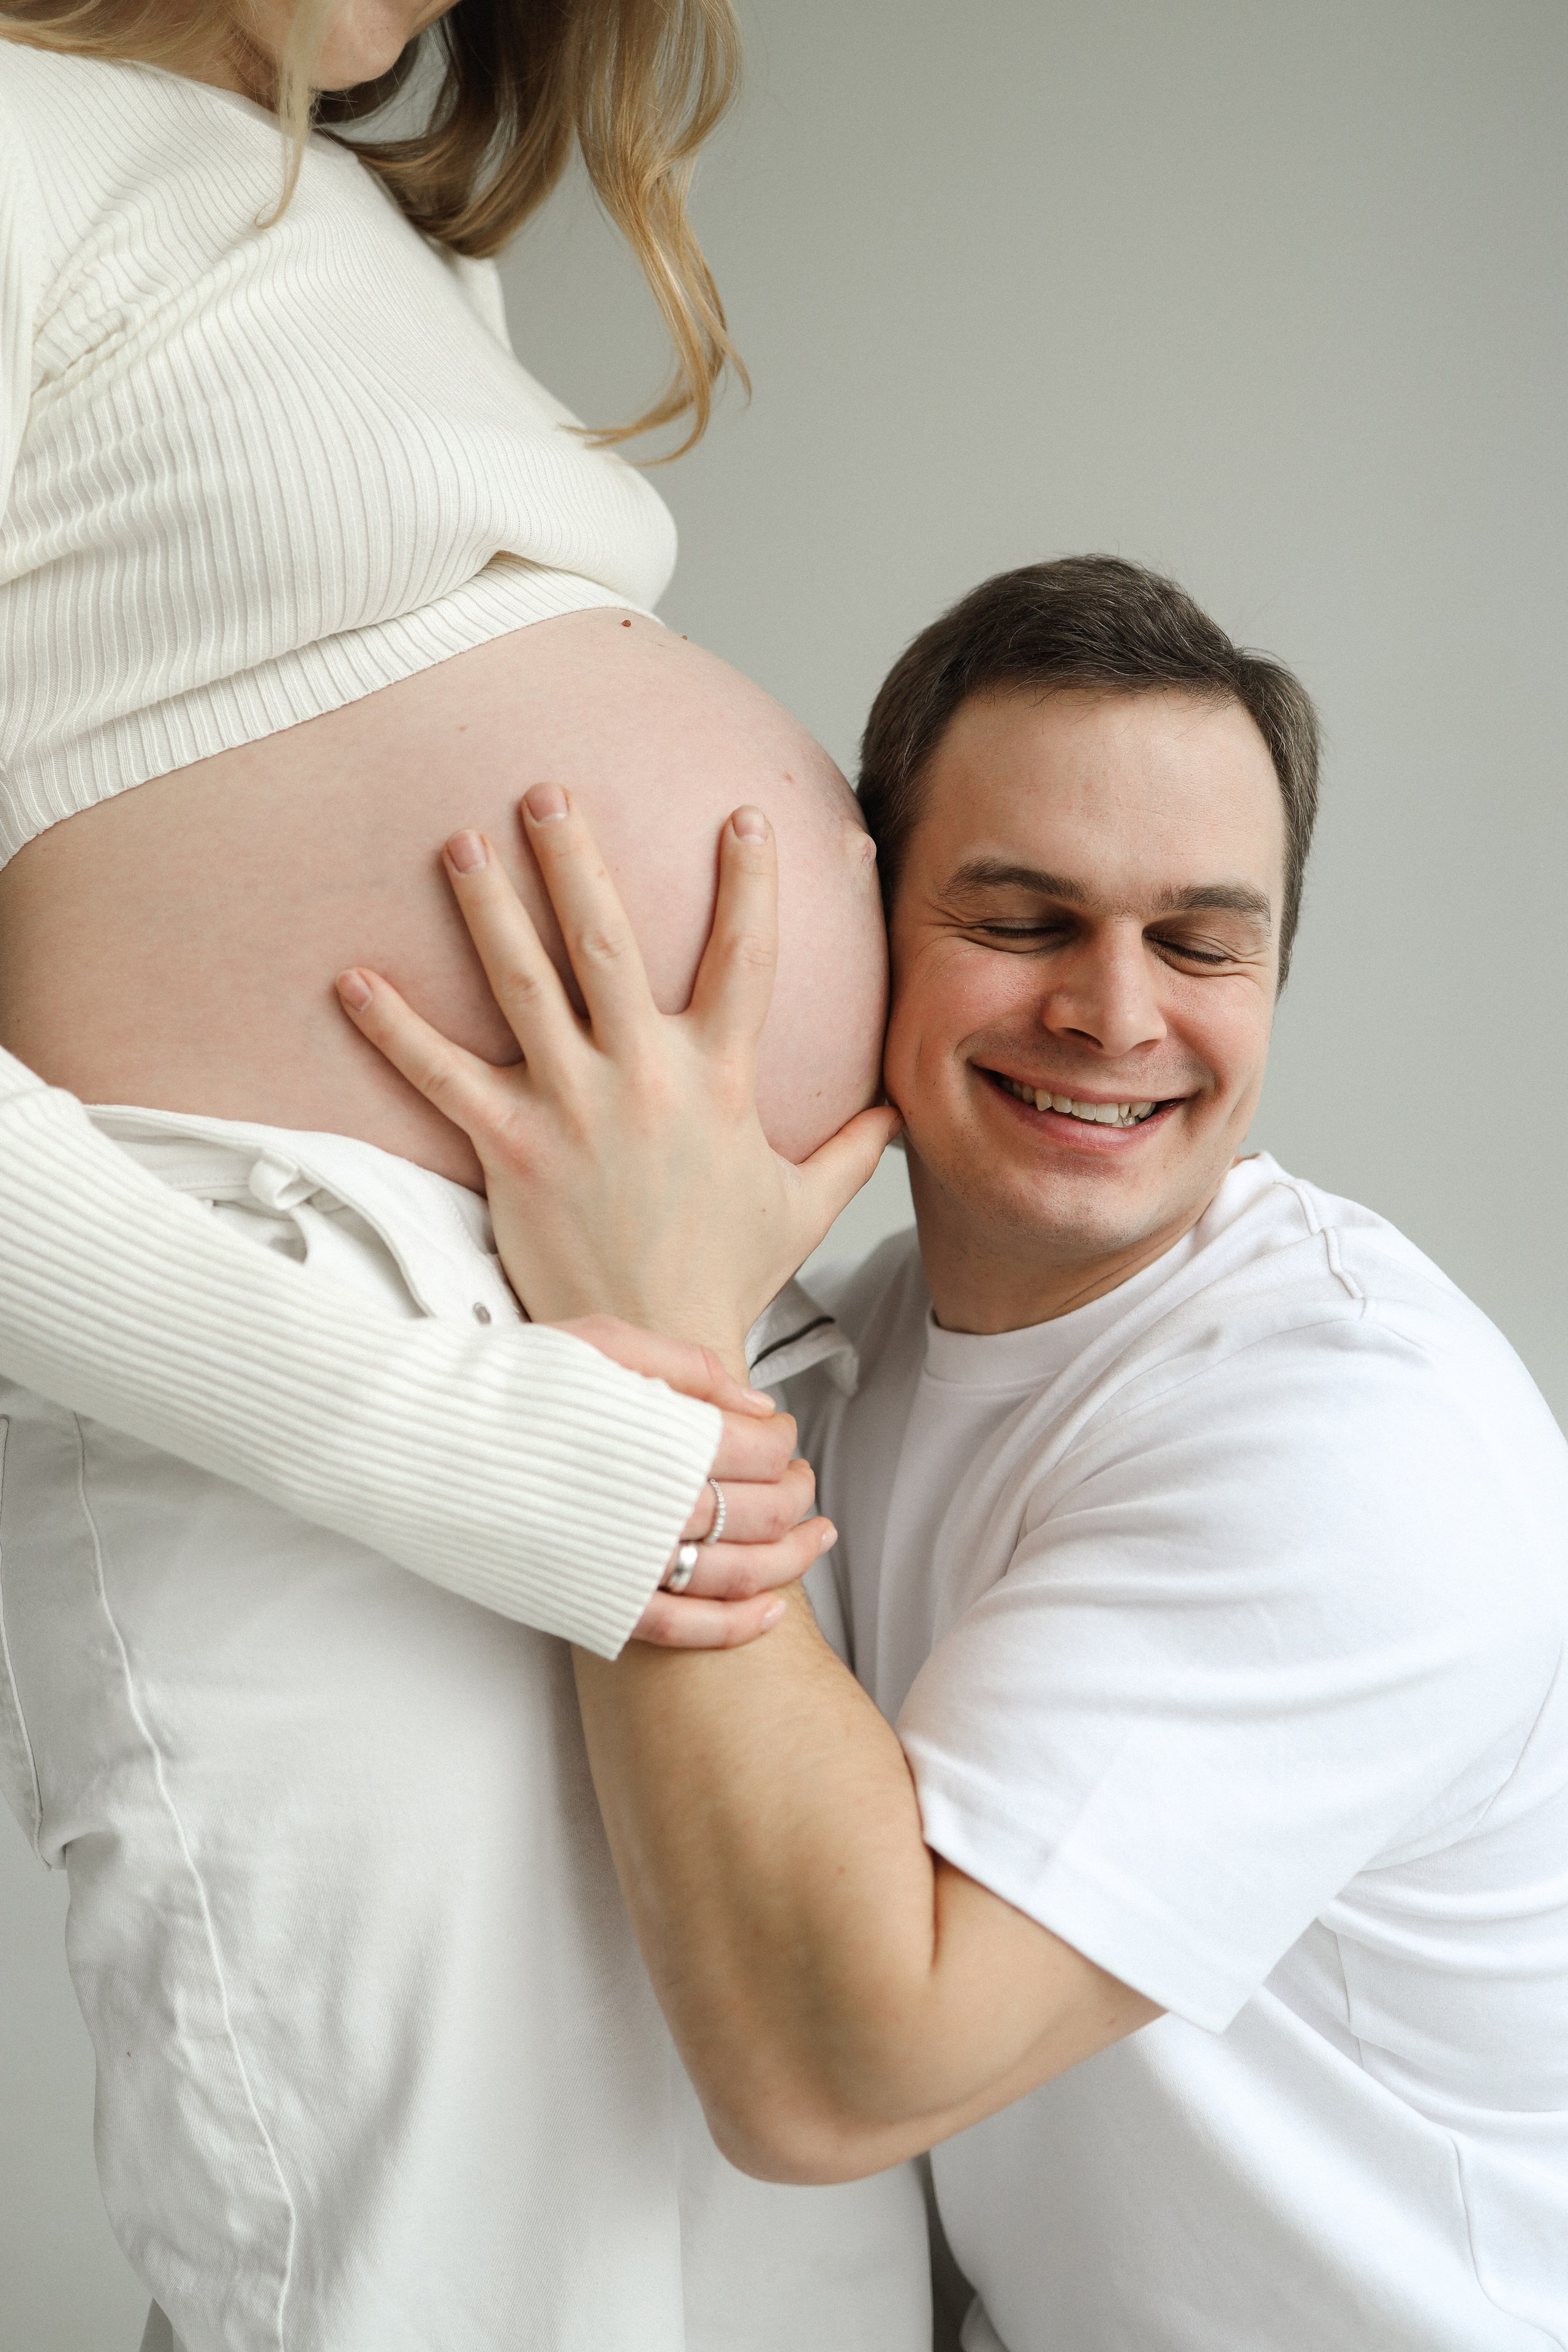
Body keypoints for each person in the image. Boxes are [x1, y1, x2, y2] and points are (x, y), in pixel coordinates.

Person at [0, 1, 926, 2344]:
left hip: (639, 1375)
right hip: (307, 1396)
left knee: (787, 2279)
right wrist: (447, 1440)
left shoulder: (371, 228)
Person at [366, 557, 1568, 2351]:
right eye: (1021, 919)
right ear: (878, 932)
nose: (1116, 1012)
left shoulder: (1357, 1439)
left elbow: (839, 2079)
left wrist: (658, 1362)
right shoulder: (869, 1340)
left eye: (1201, 939)